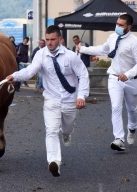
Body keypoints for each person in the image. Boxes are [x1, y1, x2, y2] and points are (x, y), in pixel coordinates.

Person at [6, 25, 89, 177]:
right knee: (51, 130)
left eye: (52, 40)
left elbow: (83, 75)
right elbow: (30, 71)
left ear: (60, 39)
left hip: (70, 99)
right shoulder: (41, 55)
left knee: (67, 128)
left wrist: (81, 96)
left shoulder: (71, 56)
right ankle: (54, 162)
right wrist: (14, 76)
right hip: (51, 99)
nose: (49, 43)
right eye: (47, 39)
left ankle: (67, 134)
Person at [77, 13, 137, 151]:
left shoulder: (135, 42)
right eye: (117, 23)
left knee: (132, 109)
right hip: (114, 78)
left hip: (131, 80)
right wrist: (83, 49)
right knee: (115, 107)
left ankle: (132, 129)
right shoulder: (112, 37)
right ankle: (119, 139)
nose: (118, 26)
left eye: (121, 25)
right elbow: (103, 49)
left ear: (129, 26)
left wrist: (128, 74)